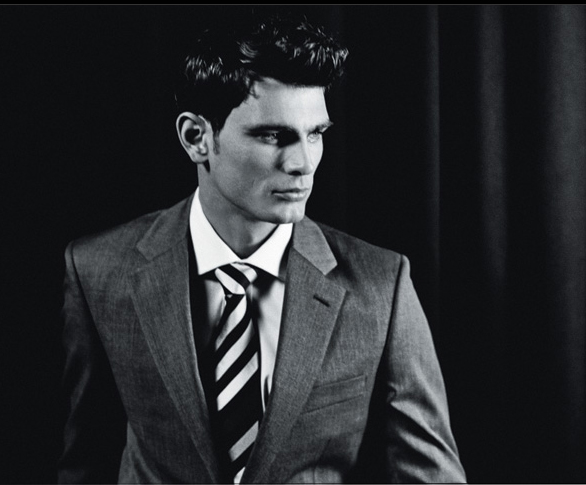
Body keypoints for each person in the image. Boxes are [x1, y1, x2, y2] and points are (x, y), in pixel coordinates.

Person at [59, 12, 466, 484]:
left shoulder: (381, 286)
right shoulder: (97, 271)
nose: (303, 163)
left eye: (315, 134)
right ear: (196, 138)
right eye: (273, 135)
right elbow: (83, 461)